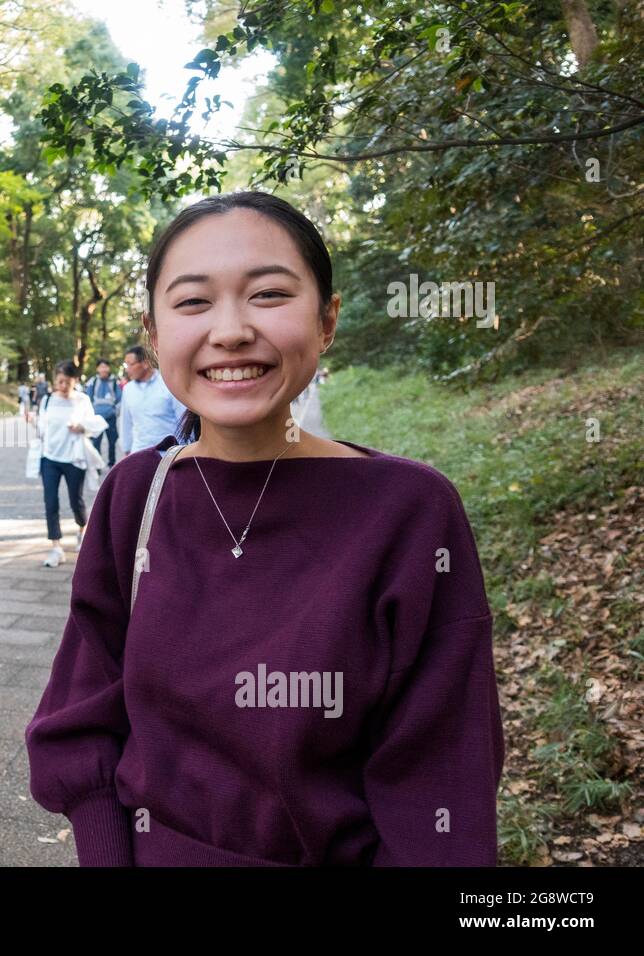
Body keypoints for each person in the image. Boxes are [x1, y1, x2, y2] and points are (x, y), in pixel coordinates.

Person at [26, 191, 503, 866]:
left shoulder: (409, 512)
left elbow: (440, 784)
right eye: (193, 302)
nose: (230, 331)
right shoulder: (134, 496)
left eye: (269, 295)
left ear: (328, 319)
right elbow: (79, 724)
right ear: (155, 333)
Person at [35, 361, 107, 568]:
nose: (63, 386)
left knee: (76, 500)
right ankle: (56, 547)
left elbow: (94, 425)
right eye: (59, 381)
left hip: (74, 459)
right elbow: (41, 427)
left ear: (75, 380)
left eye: (67, 382)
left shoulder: (82, 400)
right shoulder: (47, 400)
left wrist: (81, 426)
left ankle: (81, 530)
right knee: (50, 502)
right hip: (49, 458)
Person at [116, 344, 187, 456]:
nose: (127, 369)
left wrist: (185, 452)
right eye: (126, 365)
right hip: (139, 453)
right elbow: (126, 422)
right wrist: (126, 449)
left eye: (130, 365)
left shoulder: (168, 384)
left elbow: (183, 420)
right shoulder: (128, 389)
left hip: (168, 454)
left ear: (145, 363)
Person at [82, 359, 122, 466]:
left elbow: (120, 399)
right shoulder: (93, 381)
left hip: (111, 417)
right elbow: (88, 398)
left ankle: (111, 464)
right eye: (101, 367)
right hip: (97, 418)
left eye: (105, 366)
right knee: (96, 442)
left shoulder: (114, 381)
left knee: (112, 441)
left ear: (108, 368)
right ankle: (97, 465)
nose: (103, 369)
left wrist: (115, 412)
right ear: (97, 369)